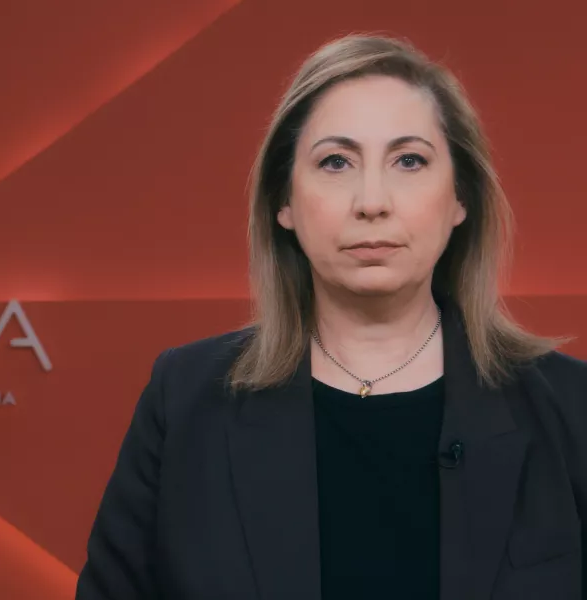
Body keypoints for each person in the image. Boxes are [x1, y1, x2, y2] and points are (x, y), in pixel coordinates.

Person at [75, 34, 587, 599]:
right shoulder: (185, 399)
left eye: (409, 160)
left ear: (460, 198)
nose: (372, 202)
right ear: (284, 203)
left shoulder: (571, 407)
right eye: (336, 162)